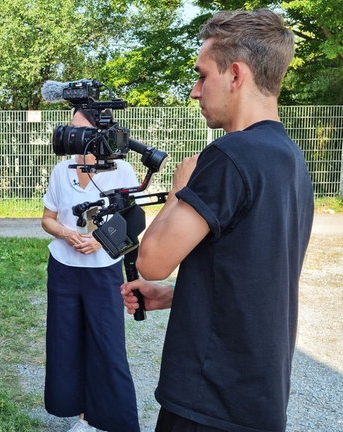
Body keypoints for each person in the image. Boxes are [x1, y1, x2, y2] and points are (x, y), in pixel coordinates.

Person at [120, 9, 314, 432]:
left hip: (208, 398)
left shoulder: (229, 155)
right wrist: (177, 295)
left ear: (237, 75)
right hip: (257, 394)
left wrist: (180, 188)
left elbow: (151, 260)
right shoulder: (289, 158)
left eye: (202, 75)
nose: (194, 91)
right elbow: (256, 270)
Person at [41, 108, 141, 432]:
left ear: (101, 132)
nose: (74, 136)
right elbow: (48, 219)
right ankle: (83, 417)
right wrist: (66, 233)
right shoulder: (61, 169)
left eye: (80, 129)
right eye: (71, 129)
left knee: (107, 345)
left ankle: (116, 422)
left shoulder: (121, 170)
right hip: (64, 271)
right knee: (67, 343)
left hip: (103, 271)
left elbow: (133, 220)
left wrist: (100, 240)